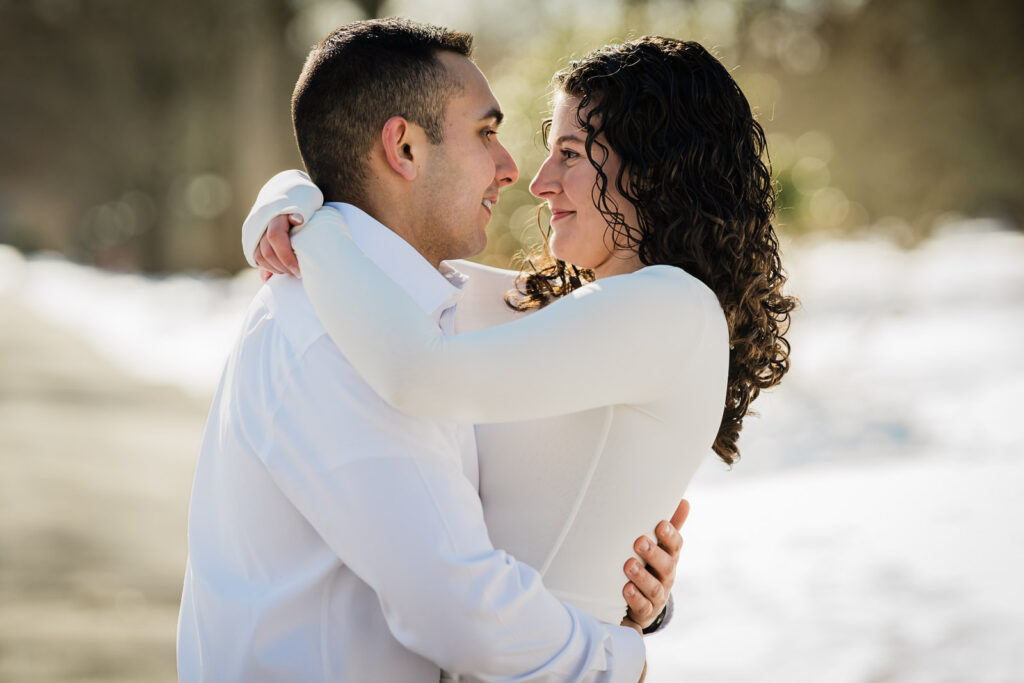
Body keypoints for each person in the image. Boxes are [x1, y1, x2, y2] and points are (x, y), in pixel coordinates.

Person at [247, 31, 795, 659]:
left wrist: (313, 230)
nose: (538, 182)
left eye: (570, 153)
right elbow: (397, 273)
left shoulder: (673, 306)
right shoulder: (576, 314)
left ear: (652, 168)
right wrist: (293, 191)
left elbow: (418, 371)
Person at [179, 19, 685, 683]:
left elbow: (499, 522)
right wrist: (617, 662)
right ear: (406, 148)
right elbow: (459, 608)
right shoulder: (335, 333)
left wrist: (617, 580)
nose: (513, 172)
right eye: (486, 132)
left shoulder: (419, 314)